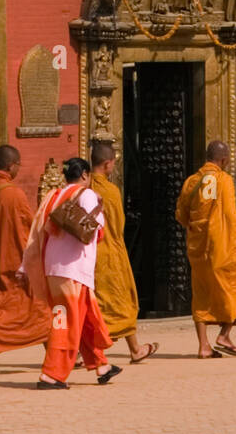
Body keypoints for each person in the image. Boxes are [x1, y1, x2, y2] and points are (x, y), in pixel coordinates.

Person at [20, 155, 117, 389]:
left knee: (83, 318)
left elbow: (37, 232)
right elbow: (98, 230)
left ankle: (101, 365)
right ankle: (52, 374)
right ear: (84, 175)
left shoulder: (53, 196)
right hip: (75, 270)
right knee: (66, 323)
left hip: (54, 268)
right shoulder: (86, 195)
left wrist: (26, 265)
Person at [175, 140, 236, 359]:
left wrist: (197, 229)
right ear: (223, 160)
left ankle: (203, 345)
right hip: (222, 247)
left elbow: (180, 215)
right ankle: (224, 334)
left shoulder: (191, 181)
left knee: (201, 294)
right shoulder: (223, 180)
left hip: (198, 249)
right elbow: (230, 217)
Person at [0, 145, 50, 375]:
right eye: (18, 165)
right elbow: (28, 226)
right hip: (14, 260)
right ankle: (57, 351)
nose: (19, 169)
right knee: (39, 305)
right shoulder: (13, 194)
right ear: (11, 165)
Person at [89, 141, 157, 364]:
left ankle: (134, 348)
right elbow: (118, 224)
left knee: (96, 303)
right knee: (120, 301)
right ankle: (132, 349)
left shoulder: (86, 188)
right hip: (109, 251)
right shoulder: (109, 191)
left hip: (88, 254)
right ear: (108, 164)